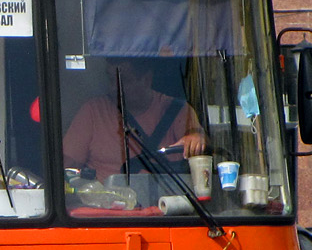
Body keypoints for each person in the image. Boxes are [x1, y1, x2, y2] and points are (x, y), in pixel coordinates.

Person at [62, 56, 206, 181]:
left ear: (146, 79)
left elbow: (196, 138)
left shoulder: (177, 110)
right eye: (111, 80)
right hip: (107, 209)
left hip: (167, 205)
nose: (114, 88)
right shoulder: (93, 112)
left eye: (123, 80)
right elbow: (66, 166)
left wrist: (195, 138)